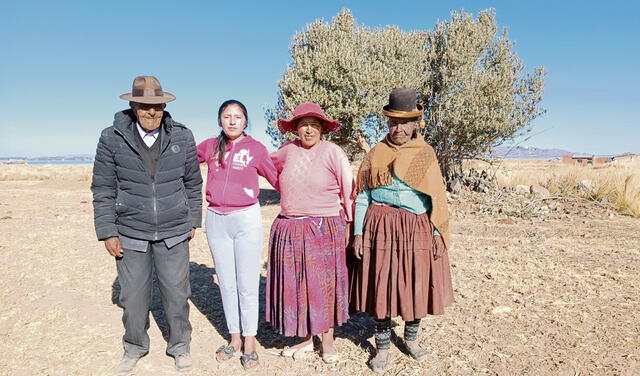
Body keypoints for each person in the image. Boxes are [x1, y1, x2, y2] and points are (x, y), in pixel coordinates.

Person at [91, 76, 202, 373]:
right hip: (130, 232)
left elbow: (193, 183)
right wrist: (107, 232)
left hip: (174, 231)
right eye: (144, 106)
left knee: (177, 293)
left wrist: (192, 219)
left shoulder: (183, 136)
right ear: (133, 105)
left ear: (165, 106)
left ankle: (179, 346)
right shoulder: (111, 137)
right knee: (133, 297)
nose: (151, 113)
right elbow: (103, 188)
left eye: (157, 106)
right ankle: (135, 346)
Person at [349, 88, 454, 373]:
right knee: (381, 286)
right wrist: (358, 233)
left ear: (415, 123)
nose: (399, 128)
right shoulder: (376, 154)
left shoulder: (424, 154)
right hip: (379, 226)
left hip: (415, 227)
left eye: (404, 122)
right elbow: (362, 195)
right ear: (387, 123)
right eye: (393, 122)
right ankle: (382, 349)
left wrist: (436, 233)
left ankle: (411, 340)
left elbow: (437, 197)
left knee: (415, 284)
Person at [266, 102, 354, 364]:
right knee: (297, 286)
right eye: (303, 124)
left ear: (323, 129)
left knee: (324, 286)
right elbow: (269, 170)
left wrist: (348, 222)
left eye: (314, 125)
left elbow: (347, 188)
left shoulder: (333, 152)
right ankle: (305, 339)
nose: (309, 130)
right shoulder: (286, 151)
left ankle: (327, 342)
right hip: (291, 226)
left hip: (324, 226)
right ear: (295, 128)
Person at [196, 100, 278, 370]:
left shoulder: (256, 149)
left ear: (245, 121)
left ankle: (250, 341)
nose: (232, 121)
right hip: (216, 219)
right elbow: (181, 160)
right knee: (226, 283)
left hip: (246, 219)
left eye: (238, 117)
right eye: (227, 117)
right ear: (220, 120)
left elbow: (278, 179)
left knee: (246, 283)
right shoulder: (210, 146)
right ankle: (234, 339)